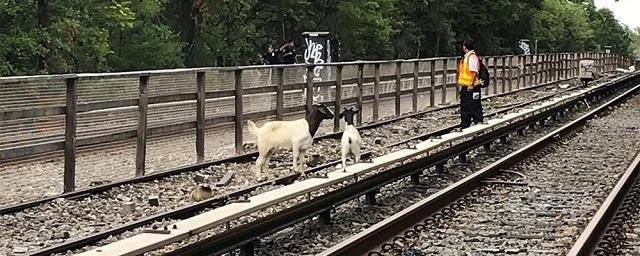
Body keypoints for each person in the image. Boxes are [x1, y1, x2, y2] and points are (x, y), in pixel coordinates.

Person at [456, 38, 483, 129]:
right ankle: (465, 124)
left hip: (471, 86)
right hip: (466, 86)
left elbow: (474, 72)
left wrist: (471, 84)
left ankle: (478, 123)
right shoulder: (467, 57)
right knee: (465, 106)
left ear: (465, 47)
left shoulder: (471, 57)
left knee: (474, 106)